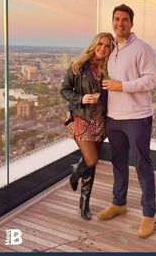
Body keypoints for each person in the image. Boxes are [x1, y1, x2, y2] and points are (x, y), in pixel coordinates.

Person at [97, 4, 156, 238]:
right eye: (116, 19)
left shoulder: (143, 48)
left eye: (125, 19)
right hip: (114, 117)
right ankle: (119, 202)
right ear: (112, 21)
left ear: (131, 23)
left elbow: (152, 79)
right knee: (118, 161)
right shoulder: (111, 48)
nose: (120, 23)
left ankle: (149, 213)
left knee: (142, 164)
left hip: (137, 117)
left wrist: (121, 86)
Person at [60, 32, 114, 220]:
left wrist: (104, 96)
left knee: (91, 165)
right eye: (100, 44)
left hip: (101, 121)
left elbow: (116, 93)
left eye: (107, 46)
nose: (103, 48)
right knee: (90, 160)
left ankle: (84, 203)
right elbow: (64, 89)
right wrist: (81, 98)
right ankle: (75, 172)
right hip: (81, 118)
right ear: (94, 45)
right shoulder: (78, 66)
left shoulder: (111, 69)